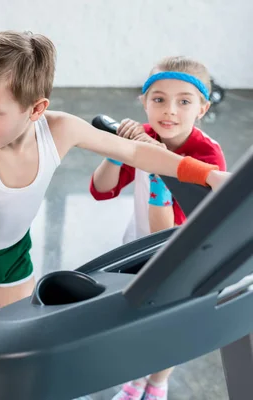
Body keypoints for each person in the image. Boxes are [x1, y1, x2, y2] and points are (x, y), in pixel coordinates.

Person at [0, 31, 231, 339]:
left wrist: (208, 174)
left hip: (14, 256)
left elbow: (135, 151)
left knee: (19, 337)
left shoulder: (60, 130)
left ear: (37, 109)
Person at [90, 56, 227, 400]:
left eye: (184, 101)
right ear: (144, 103)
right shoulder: (142, 137)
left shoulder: (208, 155)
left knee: (169, 323)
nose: (169, 110)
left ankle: (157, 383)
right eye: (158, 99)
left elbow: (163, 235)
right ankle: (136, 381)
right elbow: (101, 189)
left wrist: (160, 169)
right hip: (136, 242)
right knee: (138, 317)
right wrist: (116, 152)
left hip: (179, 250)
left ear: (202, 108)